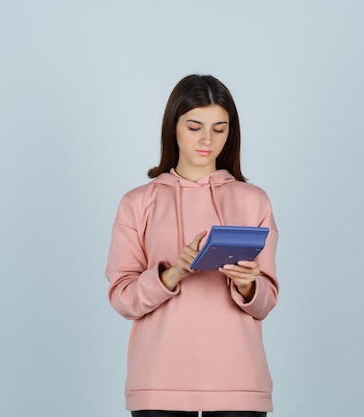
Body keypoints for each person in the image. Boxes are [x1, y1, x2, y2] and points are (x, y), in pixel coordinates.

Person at [105, 74, 279, 417]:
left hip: (238, 380)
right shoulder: (137, 202)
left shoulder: (254, 201)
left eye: (219, 128)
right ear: (174, 127)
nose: (207, 139)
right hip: (158, 380)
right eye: (194, 126)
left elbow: (267, 300)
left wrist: (247, 286)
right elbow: (122, 297)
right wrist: (174, 273)